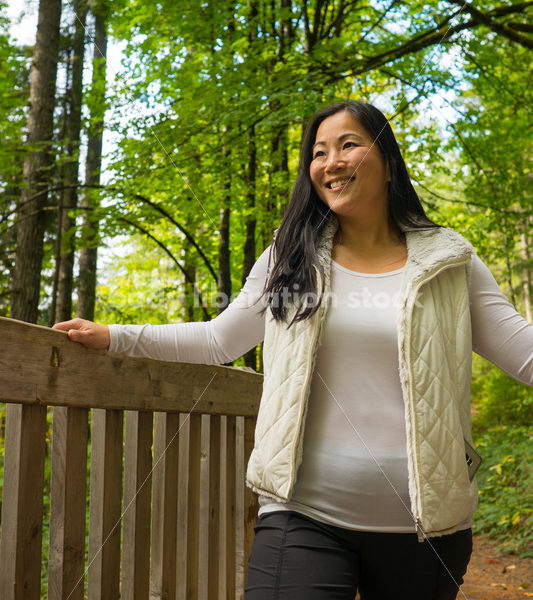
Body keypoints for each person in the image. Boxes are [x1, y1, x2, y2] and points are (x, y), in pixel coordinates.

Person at [54, 101, 533, 600]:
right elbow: (221, 339)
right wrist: (116, 336)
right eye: (319, 152)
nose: (332, 161)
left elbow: (523, 353)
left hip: (424, 529)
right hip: (303, 515)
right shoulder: (292, 253)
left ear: (387, 161)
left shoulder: (450, 261)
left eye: (348, 145)